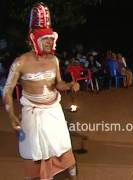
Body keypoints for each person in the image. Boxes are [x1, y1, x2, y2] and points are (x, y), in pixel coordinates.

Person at [2, 3, 79, 180]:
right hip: (32, 113)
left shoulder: (54, 60)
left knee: (63, 147)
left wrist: (68, 86)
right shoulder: (20, 62)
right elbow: (7, 90)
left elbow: (58, 83)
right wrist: (11, 115)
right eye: (46, 39)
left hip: (53, 112)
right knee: (33, 154)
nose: (50, 42)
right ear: (34, 40)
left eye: (51, 39)